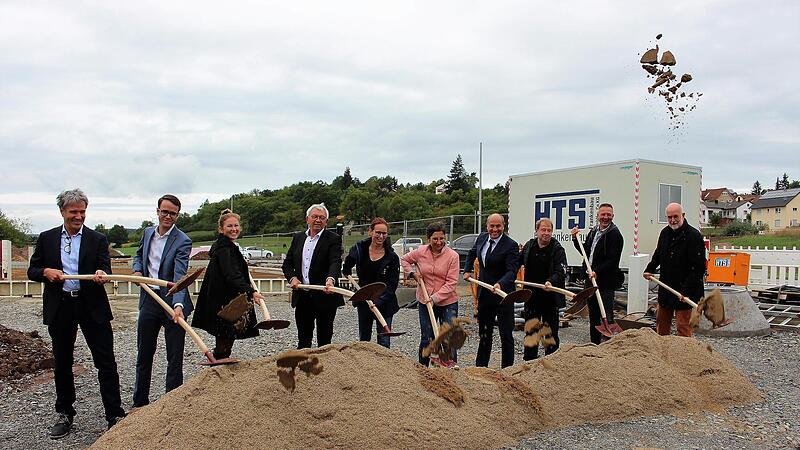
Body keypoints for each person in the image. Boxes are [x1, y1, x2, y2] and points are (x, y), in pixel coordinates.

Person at [27, 189, 126, 439]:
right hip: (61, 307)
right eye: (73, 212)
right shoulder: (47, 238)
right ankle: (64, 413)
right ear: (62, 212)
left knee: (105, 361)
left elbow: (104, 266)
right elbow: (32, 269)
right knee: (62, 363)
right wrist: (45, 272)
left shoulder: (97, 239)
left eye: (82, 211)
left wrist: (102, 274)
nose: (79, 216)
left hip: (91, 305)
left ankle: (114, 414)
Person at [131, 194, 192, 408]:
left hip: (171, 302)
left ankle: (172, 406)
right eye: (164, 211)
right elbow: (138, 256)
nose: (167, 216)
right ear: (157, 211)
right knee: (144, 354)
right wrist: (137, 270)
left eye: (172, 213)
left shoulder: (183, 241)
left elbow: (180, 276)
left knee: (174, 357)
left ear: (177, 215)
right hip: (149, 298)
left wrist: (178, 305)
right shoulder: (148, 233)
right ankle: (139, 404)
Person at [192, 209, 264, 358]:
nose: (234, 229)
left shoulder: (226, 246)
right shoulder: (224, 249)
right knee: (225, 335)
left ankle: (221, 364)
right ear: (221, 229)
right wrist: (251, 292)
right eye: (229, 226)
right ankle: (219, 366)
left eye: (236, 226)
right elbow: (232, 276)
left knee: (226, 335)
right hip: (224, 300)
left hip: (221, 298)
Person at [282, 203, 345, 348]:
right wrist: (293, 278)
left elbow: (335, 262)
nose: (318, 220)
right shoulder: (298, 238)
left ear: (326, 222)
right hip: (303, 296)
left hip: (325, 295)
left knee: (324, 339)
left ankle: (324, 368)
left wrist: (330, 280)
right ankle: (304, 368)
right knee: (303, 339)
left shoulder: (333, 239)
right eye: (315, 217)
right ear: (307, 219)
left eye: (322, 218)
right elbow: (287, 264)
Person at [400, 222, 460, 367]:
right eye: (435, 239)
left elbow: (451, 283)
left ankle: (451, 372)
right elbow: (404, 260)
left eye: (441, 239)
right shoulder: (421, 252)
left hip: (447, 302)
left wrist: (434, 298)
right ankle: (423, 370)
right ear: (428, 239)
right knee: (427, 338)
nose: (439, 242)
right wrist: (412, 273)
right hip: (424, 301)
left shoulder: (453, 256)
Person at [464, 213, 520, 368]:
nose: (495, 229)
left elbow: (511, 271)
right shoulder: (482, 238)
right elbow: (472, 253)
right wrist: (467, 270)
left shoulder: (511, 245)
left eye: (498, 226)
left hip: (503, 296)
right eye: (492, 226)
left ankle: (507, 369)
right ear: (487, 226)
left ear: (503, 226)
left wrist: (500, 284)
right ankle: (481, 367)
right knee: (485, 333)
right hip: (485, 295)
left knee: (506, 335)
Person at [643, 202, 706, 337]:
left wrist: (686, 291)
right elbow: (658, 254)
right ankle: (662, 351)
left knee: (683, 326)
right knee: (661, 323)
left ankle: (683, 355)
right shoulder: (665, 233)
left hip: (686, 290)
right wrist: (650, 268)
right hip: (667, 287)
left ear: (683, 215)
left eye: (675, 216)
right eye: (669, 217)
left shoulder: (693, 236)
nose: (673, 220)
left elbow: (699, 268)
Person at [571, 203, 624, 344]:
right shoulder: (594, 231)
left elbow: (613, 260)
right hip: (591, 281)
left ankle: (609, 346)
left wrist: (597, 271)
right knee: (593, 315)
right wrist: (575, 239)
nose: (605, 217)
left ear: (612, 216)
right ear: (598, 216)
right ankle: (594, 344)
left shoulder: (615, 234)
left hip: (605, 282)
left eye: (608, 214)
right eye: (603, 214)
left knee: (606, 314)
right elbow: (586, 252)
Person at [343, 217, 400, 348]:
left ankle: (383, 366)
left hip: (385, 302)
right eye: (378, 232)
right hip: (364, 299)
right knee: (364, 340)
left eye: (384, 233)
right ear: (370, 232)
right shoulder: (359, 249)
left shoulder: (392, 257)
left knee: (384, 341)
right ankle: (365, 366)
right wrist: (346, 271)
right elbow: (347, 266)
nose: (381, 236)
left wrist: (379, 300)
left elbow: (392, 284)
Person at [519, 217, 568, 360]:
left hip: (550, 298)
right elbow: (518, 261)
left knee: (549, 333)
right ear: (537, 231)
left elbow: (561, 272)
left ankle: (551, 362)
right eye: (543, 230)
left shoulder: (557, 249)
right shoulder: (529, 246)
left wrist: (550, 281)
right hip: (531, 296)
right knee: (531, 331)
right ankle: (529, 362)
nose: (546, 233)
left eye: (549, 230)